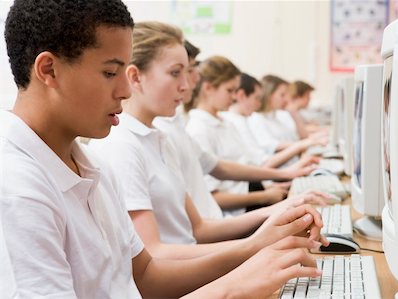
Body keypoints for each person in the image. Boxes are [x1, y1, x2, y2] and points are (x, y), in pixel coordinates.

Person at [0, 1, 327, 298]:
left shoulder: (92, 164)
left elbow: (143, 274)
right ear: (48, 70)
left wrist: (255, 250)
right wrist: (232, 288)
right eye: (110, 72)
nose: (126, 90)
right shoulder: (17, 189)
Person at [89, 21, 328, 258]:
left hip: (195, 262)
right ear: (136, 77)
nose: (186, 85)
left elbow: (198, 230)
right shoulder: (123, 146)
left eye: (188, 72)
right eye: (175, 73)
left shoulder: (160, 138)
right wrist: (256, 243)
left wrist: (275, 211)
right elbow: (154, 255)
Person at [154, 42, 328, 219]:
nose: (235, 97)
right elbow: (214, 194)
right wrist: (266, 195)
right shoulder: (197, 129)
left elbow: (233, 167)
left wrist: (282, 177)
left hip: (250, 196)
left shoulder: (224, 123)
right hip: (236, 212)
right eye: (230, 90)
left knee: (306, 211)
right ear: (208, 89)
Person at [248, 75, 328, 154]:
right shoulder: (256, 119)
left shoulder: (278, 116)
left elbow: (298, 137)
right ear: (269, 95)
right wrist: (308, 143)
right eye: (282, 95)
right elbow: (272, 146)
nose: (286, 99)